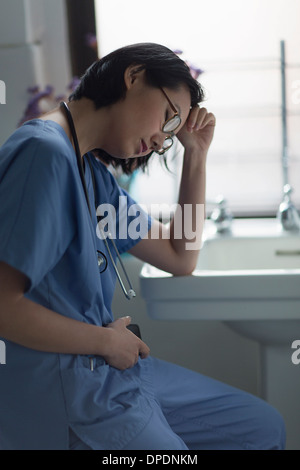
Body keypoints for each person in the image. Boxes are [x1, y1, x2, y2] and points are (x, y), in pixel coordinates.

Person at [0, 43, 285, 450]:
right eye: (169, 120)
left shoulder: (91, 174)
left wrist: (196, 156)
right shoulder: (42, 155)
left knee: (260, 427)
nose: (160, 140)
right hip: (68, 389)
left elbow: (179, 255)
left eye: (172, 135)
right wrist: (105, 342)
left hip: (110, 370)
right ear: (133, 77)